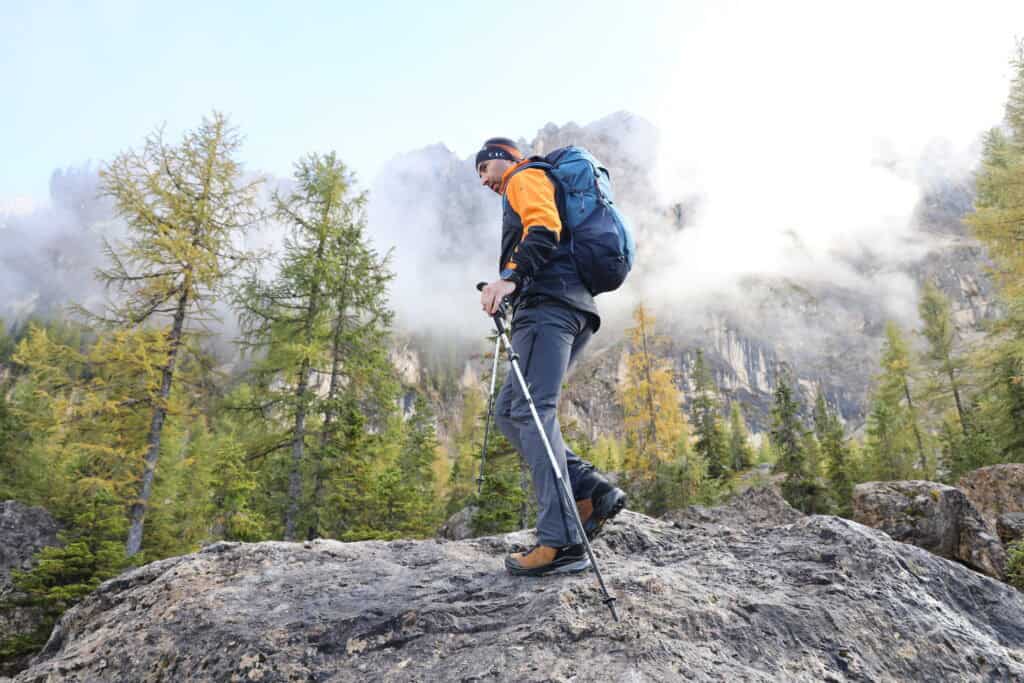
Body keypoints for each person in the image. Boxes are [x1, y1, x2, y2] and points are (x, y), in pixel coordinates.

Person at [476, 136, 627, 577]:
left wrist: (509, 279)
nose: (483, 181)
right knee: (509, 411)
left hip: (549, 310)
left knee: (530, 411)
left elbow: (543, 227)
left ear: (500, 160)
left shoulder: (524, 176)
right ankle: (587, 490)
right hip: (569, 308)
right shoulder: (531, 179)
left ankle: (560, 543)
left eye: (483, 170)